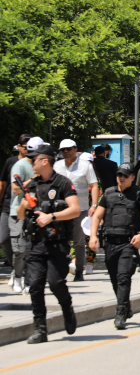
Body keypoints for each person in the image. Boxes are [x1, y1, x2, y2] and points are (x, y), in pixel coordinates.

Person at [16, 144, 80, 343]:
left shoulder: (62, 183)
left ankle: (67, 310)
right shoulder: (31, 185)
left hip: (57, 243)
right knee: (34, 286)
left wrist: (51, 216)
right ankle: (40, 329)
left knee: (55, 283)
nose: (31, 162)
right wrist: (24, 204)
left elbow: (75, 210)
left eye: (34, 159)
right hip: (35, 243)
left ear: (45, 161)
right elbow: (19, 216)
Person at [88, 163, 140, 329]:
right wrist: (93, 236)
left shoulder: (138, 194)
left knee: (124, 277)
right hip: (110, 243)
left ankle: (120, 313)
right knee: (114, 278)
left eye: (125, 175)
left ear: (132, 177)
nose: (121, 178)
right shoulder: (108, 194)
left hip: (128, 243)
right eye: (119, 175)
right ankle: (126, 306)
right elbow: (96, 217)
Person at [53, 138, 99, 281]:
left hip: (81, 208)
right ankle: (61, 270)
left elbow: (94, 185)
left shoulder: (85, 165)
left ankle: (79, 271)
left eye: (68, 149)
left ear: (75, 149)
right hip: (61, 209)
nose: (65, 152)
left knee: (78, 242)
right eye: (63, 150)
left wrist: (94, 205)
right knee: (60, 239)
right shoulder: (57, 166)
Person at [8, 134, 34, 293]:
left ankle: (29, 279)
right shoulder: (20, 165)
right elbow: (15, 189)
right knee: (19, 249)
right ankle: (17, 276)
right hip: (18, 212)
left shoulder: (44, 167)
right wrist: (32, 180)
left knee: (33, 249)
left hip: (35, 213)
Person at [1, 135, 28, 277]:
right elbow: (3, 184)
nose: (27, 149)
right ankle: (16, 267)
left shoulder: (34, 163)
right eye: (25, 146)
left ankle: (20, 271)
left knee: (22, 241)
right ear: (19, 146)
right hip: (8, 206)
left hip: (26, 208)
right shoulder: (10, 162)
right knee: (4, 239)